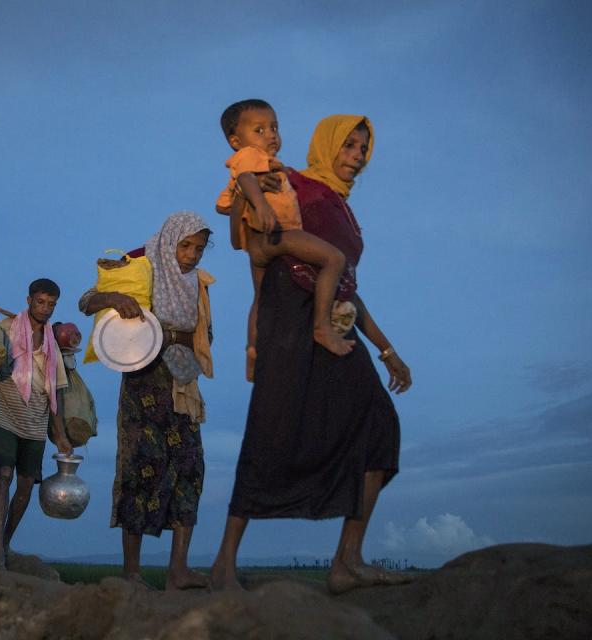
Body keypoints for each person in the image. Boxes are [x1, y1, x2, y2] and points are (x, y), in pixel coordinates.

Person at [210, 115, 414, 594]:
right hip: (290, 315)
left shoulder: (343, 209)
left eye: (364, 147)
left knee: (378, 425)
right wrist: (255, 333)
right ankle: (223, 564)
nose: (357, 154)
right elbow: (252, 224)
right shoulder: (296, 183)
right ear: (327, 146)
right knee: (272, 429)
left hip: (334, 318)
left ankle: (347, 563)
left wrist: (387, 350)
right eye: (349, 145)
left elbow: (345, 285)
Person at [79, 211, 214, 590]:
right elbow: (85, 301)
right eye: (185, 245)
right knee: (141, 465)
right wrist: (114, 297)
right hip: (143, 383)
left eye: (199, 248)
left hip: (183, 383)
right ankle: (132, 573)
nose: (191, 255)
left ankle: (178, 571)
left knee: (191, 466)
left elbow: (205, 334)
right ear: (170, 240)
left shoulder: (198, 284)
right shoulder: (142, 264)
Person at [216, 99, 352, 380]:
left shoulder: (264, 163)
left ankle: (252, 350)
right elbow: (246, 180)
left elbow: (222, 205)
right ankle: (322, 327)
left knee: (259, 299)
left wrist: (250, 199)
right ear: (235, 140)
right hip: (279, 235)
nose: (270, 135)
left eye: (274, 127)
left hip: (257, 249)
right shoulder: (250, 157)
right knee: (333, 258)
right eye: (260, 129)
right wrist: (262, 206)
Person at [0, 278, 72, 568]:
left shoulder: (52, 343)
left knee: (25, 483)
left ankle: (7, 542)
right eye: (40, 302)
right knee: (4, 475)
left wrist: (59, 435)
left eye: (51, 304)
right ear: (28, 300)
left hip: (36, 416)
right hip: (6, 408)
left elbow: (56, 391)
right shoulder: (7, 329)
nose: (45, 308)